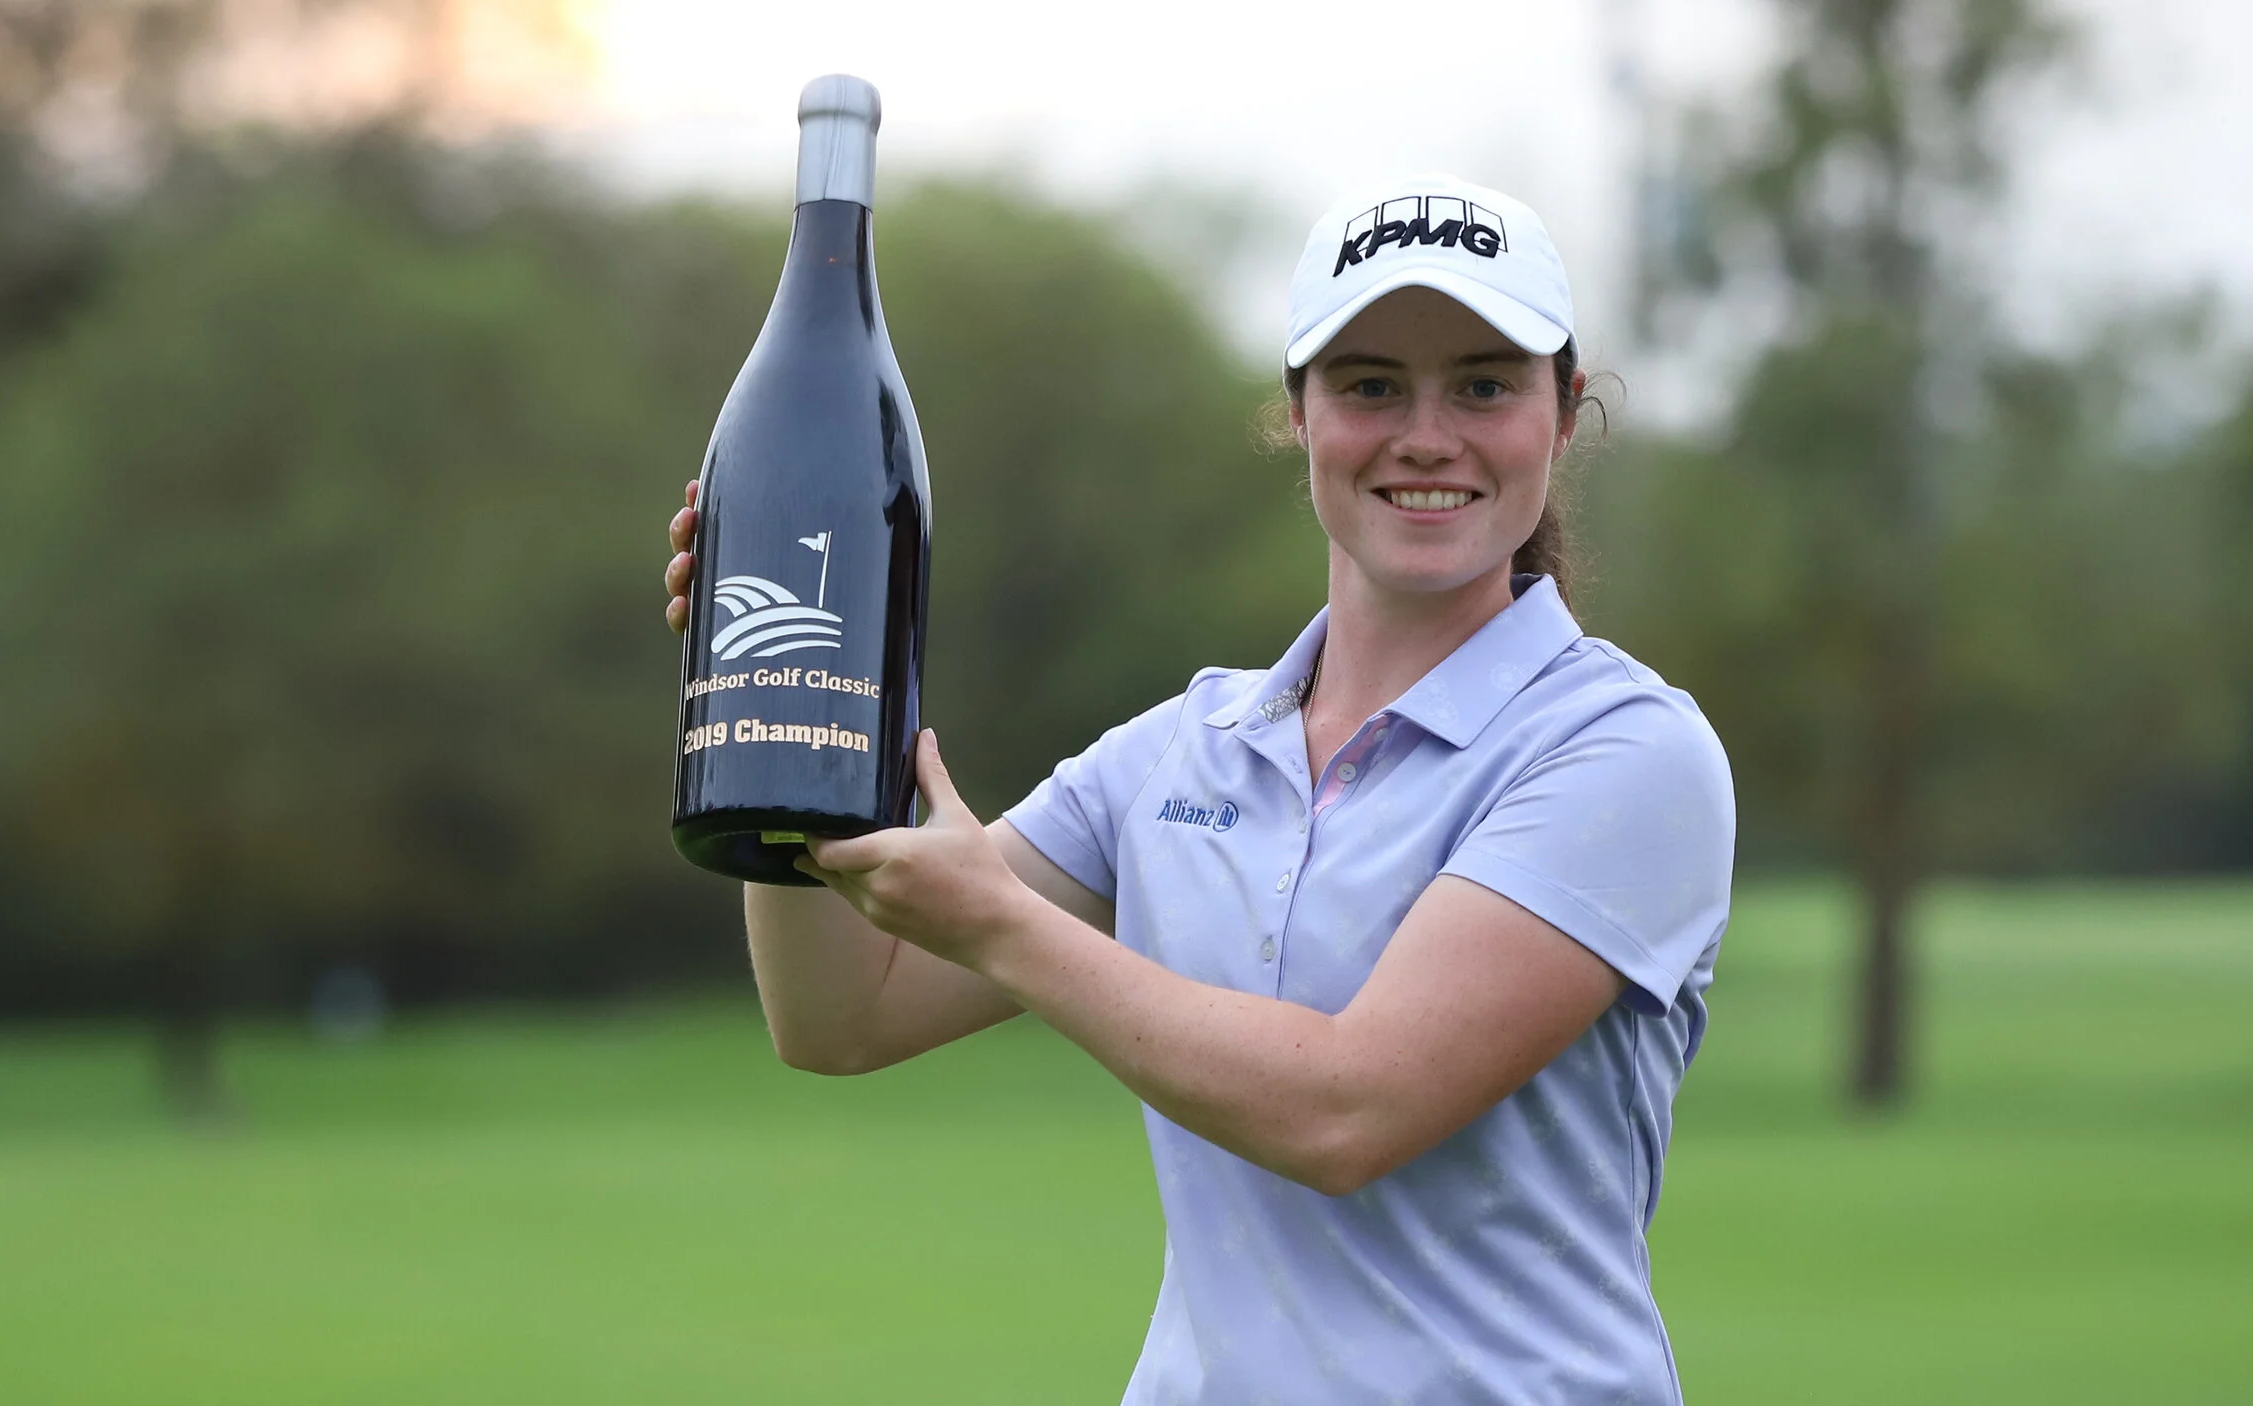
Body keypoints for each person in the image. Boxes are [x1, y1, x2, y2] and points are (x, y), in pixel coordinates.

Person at [661, 174, 1735, 1404]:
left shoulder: (1622, 750)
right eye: (1369, 382)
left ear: (1564, 412)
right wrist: (789, 716)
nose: (1425, 433)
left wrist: (1001, 923)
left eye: (1483, 385)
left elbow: (1350, 1110)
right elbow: (843, 1016)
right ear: (1298, 412)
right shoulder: (1183, 746)